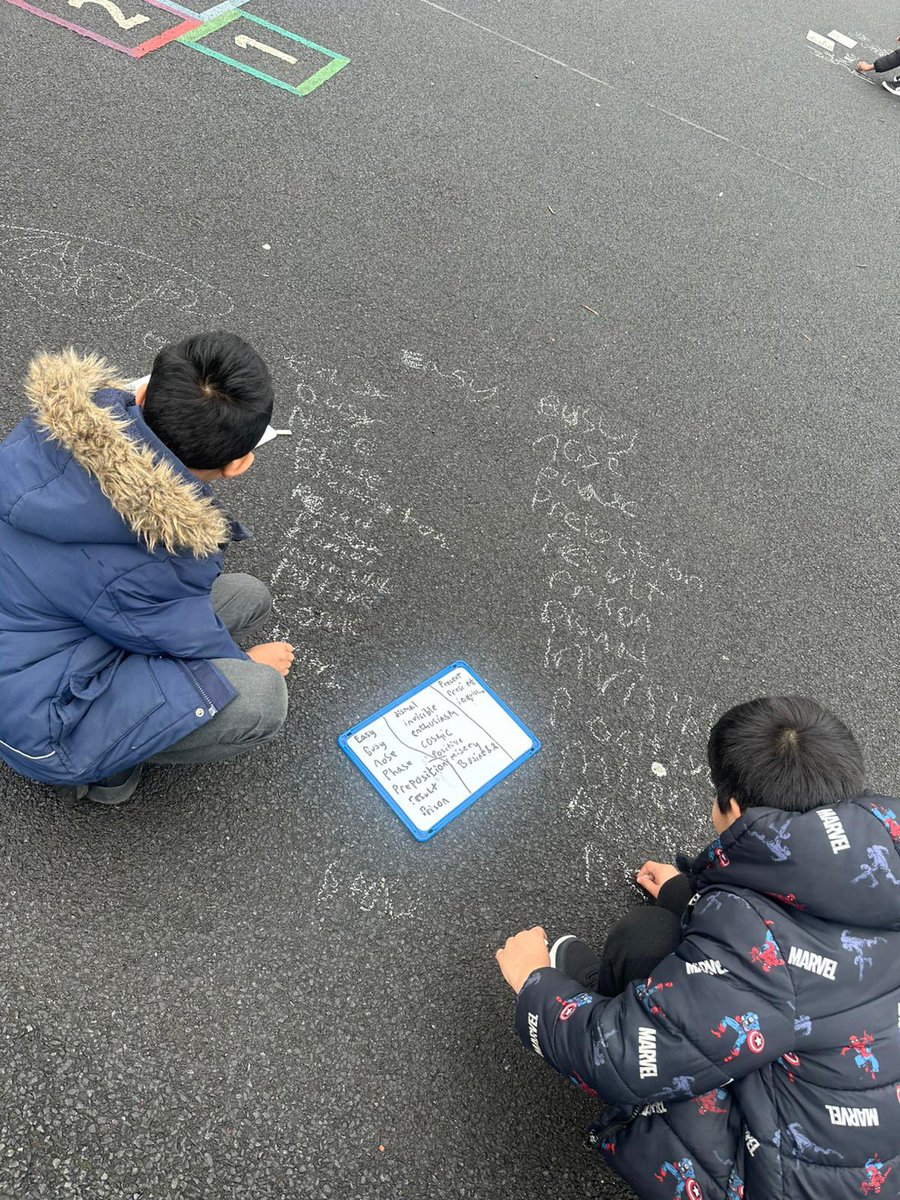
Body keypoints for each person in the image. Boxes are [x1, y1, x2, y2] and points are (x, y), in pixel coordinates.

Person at [496, 696, 900, 1200]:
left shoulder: (760, 948)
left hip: (782, 1181)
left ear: (731, 807)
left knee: (645, 944)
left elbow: (622, 1060)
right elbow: (805, 923)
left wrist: (535, 984)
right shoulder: (882, 853)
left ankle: (591, 996)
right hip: (870, 1151)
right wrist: (686, 895)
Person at [0, 333, 294, 805]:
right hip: (40, 719)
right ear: (239, 464)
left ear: (141, 392)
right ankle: (107, 770)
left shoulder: (54, 428)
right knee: (260, 696)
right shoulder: (161, 558)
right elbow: (186, 638)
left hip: (39, 626)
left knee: (248, 595)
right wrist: (245, 665)